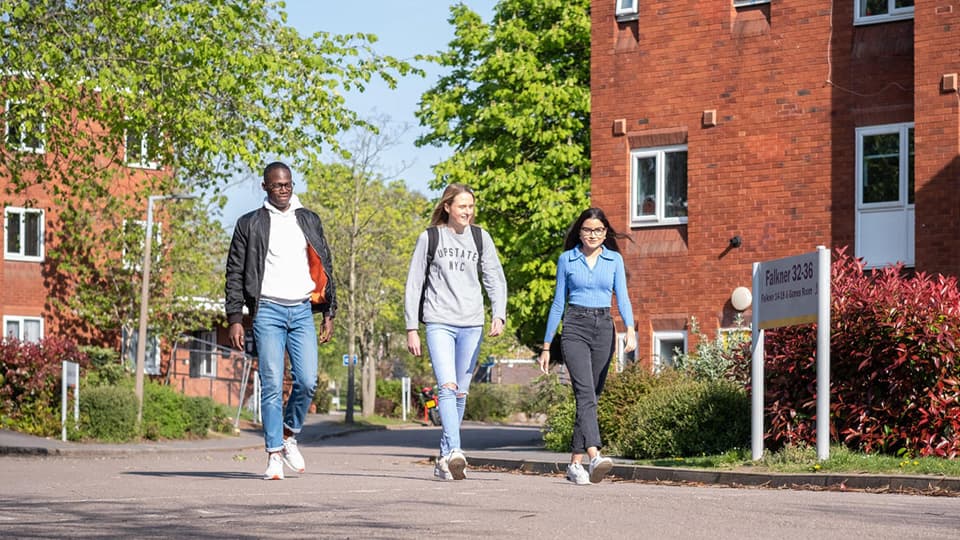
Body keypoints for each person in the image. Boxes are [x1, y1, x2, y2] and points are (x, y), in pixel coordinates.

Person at [225, 161, 336, 480]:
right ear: (265, 187)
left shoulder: (309, 220)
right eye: (277, 185)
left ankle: (289, 434)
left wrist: (329, 310)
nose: (284, 190)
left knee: (307, 380)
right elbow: (234, 272)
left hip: (302, 310)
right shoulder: (250, 223)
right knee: (272, 384)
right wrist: (235, 317)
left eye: (288, 184)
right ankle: (274, 454)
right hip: (267, 312)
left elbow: (325, 265)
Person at [404, 183, 507, 481]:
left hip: (472, 322)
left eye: (471, 207)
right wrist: (412, 327)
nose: (468, 212)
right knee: (446, 386)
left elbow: (495, 278)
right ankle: (455, 452)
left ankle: (443, 457)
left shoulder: (480, 237)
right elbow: (414, 284)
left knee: (461, 392)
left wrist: (498, 312)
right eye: (462, 206)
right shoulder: (430, 237)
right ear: (448, 206)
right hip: (439, 320)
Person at [537, 207, 636, 485]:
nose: (593, 235)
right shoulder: (567, 260)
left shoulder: (613, 259)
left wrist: (630, 329)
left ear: (605, 233)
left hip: (604, 327)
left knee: (591, 394)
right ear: (579, 232)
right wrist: (546, 346)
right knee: (584, 392)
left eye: (599, 230)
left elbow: (623, 298)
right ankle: (595, 456)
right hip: (575, 327)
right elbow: (558, 303)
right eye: (588, 230)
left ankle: (575, 464)